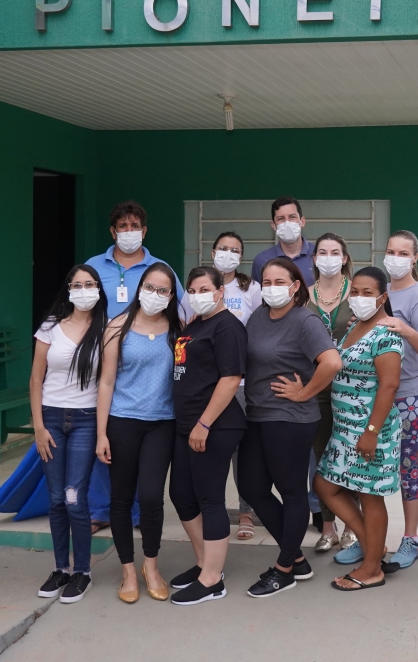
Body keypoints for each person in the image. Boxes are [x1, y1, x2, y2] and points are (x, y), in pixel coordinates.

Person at [237, 258, 342, 597]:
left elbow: (332, 362)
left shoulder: (305, 321)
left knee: (292, 491)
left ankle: (284, 570)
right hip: (257, 414)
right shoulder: (258, 316)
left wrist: (304, 392)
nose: (271, 288)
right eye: (266, 282)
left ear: (296, 286)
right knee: (252, 487)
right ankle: (295, 557)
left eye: (279, 282)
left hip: (289, 419)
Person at [85, 200, 186, 531]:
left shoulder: (160, 269)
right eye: (122, 226)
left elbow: (182, 312)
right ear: (112, 231)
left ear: (144, 230)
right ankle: (101, 509)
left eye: (134, 226)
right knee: (105, 437)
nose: (129, 232)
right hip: (101, 360)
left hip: (148, 360)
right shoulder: (94, 266)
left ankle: (143, 512)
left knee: (146, 454)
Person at [314, 267, 404, 591]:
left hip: (371, 429)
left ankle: (371, 570)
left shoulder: (387, 334)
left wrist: (372, 431)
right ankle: (373, 549)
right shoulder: (355, 327)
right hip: (345, 430)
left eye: (368, 293)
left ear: (383, 297)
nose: (360, 298)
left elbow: (389, 385)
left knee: (370, 496)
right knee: (324, 485)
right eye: (355, 292)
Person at [97, 263, 181, 603]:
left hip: (162, 423)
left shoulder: (178, 329)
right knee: (121, 498)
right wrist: (101, 433)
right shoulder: (117, 327)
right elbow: (106, 381)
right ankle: (128, 571)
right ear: (140, 287)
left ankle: (151, 565)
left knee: (150, 496)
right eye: (150, 287)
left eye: (163, 290)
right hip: (122, 421)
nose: (155, 295)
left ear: (171, 296)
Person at [168, 267, 248, 605]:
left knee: (210, 499)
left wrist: (204, 423)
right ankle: (204, 564)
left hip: (214, 425)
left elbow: (230, 379)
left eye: (204, 289)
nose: (197, 295)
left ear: (220, 292)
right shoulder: (196, 324)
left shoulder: (228, 326)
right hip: (187, 423)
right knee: (181, 495)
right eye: (192, 290)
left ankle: (212, 580)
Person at [30, 264, 108, 605]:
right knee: (56, 499)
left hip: (86, 420)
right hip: (50, 418)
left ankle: (83, 572)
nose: (83, 290)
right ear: (69, 290)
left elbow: (107, 382)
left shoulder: (106, 328)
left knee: (75, 497)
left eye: (90, 284)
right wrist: (38, 427)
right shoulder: (50, 326)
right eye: (77, 284)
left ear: (99, 289)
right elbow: (36, 379)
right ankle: (60, 568)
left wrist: (103, 432)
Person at [182, 232, 262, 541]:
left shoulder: (250, 288)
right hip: (204, 383)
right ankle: (209, 514)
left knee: (240, 452)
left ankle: (245, 512)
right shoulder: (197, 287)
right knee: (207, 455)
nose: (228, 253)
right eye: (222, 248)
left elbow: (258, 327)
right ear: (213, 251)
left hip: (238, 381)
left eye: (235, 250)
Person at [373, 229, 418, 570]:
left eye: (402, 253)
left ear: (414, 258)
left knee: (406, 466)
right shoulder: (378, 292)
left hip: (409, 396)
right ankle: (371, 539)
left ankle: (411, 539)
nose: (395, 258)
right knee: (370, 466)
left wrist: (406, 329)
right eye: (391, 251)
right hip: (374, 394)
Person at [307, 233, 357, 552]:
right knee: (322, 457)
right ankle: (328, 528)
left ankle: (352, 526)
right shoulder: (304, 295)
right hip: (317, 387)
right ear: (314, 259)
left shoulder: (358, 292)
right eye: (322, 252)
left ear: (344, 258)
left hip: (353, 387)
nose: (328, 257)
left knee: (350, 456)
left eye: (334, 252)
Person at [250, 196, 315, 285]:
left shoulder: (319, 255)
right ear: (273, 225)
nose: (287, 223)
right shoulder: (262, 260)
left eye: (292, 217)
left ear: (302, 221)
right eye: (281, 219)